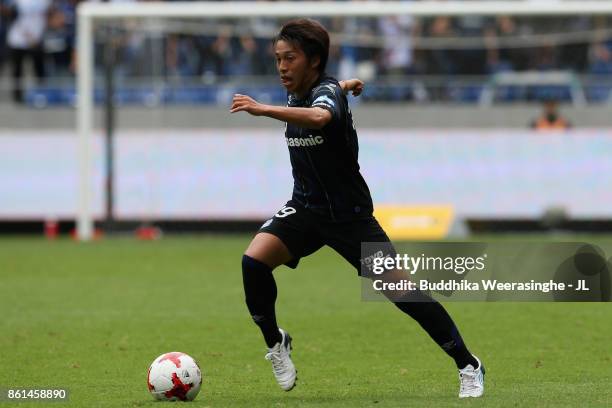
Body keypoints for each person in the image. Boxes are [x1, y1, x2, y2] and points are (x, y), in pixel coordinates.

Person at [230, 18, 485, 399]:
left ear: (314, 61)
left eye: (290, 59)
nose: (282, 67)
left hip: (350, 219)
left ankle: (468, 364)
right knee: (253, 263)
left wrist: (263, 109)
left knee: (403, 294)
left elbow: (321, 115)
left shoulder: (322, 95)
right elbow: (329, 95)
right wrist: (348, 86)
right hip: (306, 210)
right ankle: (276, 341)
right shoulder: (302, 89)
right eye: (278, 59)